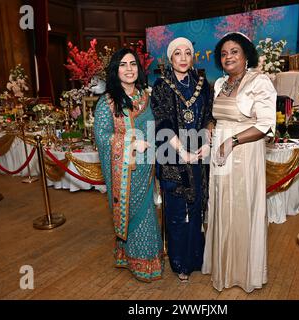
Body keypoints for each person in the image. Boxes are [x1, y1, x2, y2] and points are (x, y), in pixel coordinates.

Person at [202, 32, 276, 292]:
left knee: (243, 209)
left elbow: (266, 125)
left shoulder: (260, 81)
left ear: (246, 55)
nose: (228, 56)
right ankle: (223, 266)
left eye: (234, 51)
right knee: (222, 206)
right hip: (220, 155)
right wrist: (211, 125)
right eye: (223, 53)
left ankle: (244, 272)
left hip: (244, 153)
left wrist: (232, 141)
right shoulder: (220, 83)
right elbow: (216, 114)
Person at [94, 48, 163, 282]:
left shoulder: (146, 96)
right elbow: (102, 137)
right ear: (115, 70)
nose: (129, 69)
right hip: (124, 173)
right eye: (123, 65)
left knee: (148, 214)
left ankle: (148, 260)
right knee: (134, 215)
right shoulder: (108, 102)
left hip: (147, 167)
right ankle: (135, 261)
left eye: (133, 64)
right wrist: (131, 142)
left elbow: (157, 126)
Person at [151, 37, 214, 282]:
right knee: (178, 211)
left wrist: (207, 142)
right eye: (178, 53)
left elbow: (209, 115)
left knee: (196, 208)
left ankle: (196, 258)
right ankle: (180, 263)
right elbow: (162, 122)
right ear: (170, 58)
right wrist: (181, 152)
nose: (184, 57)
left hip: (198, 155)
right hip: (172, 156)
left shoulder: (202, 83)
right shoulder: (161, 85)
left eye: (188, 52)